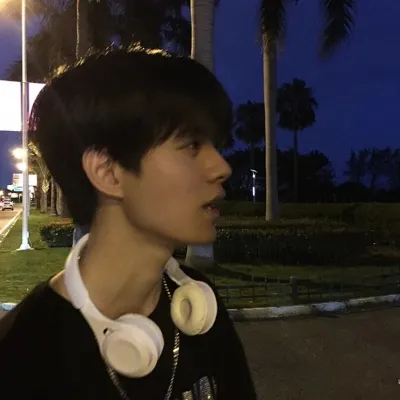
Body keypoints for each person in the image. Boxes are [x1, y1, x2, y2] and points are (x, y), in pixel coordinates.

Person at [0, 46, 257, 399]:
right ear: (108, 173)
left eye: (216, 145)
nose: (222, 167)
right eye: (192, 145)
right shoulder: (23, 353)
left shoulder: (199, 306)